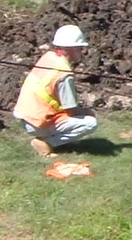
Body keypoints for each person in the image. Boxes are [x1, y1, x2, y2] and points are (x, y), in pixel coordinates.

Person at [13, 24, 98, 156]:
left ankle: (56, 139)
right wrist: (88, 111)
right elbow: (71, 110)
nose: (82, 50)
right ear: (71, 49)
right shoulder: (64, 75)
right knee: (90, 123)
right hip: (38, 122)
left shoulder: (49, 57)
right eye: (80, 48)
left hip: (26, 115)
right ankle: (48, 143)